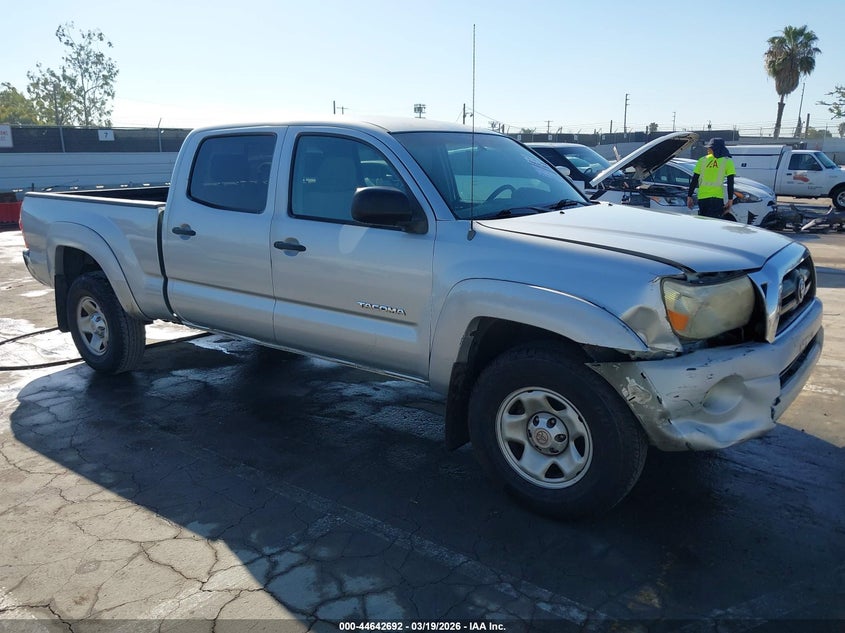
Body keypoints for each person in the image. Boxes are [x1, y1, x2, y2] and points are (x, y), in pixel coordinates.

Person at [687, 138, 736, 220]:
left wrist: (689, 196)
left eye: (709, 148)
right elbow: (730, 183)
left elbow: (694, 180)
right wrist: (730, 200)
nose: (708, 149)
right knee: (715, 224)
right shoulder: (727, 161)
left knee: (704, 223)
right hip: (716, 199)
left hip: (702, 198)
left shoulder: (702, 160)